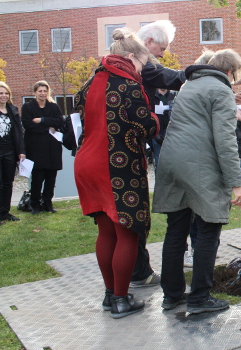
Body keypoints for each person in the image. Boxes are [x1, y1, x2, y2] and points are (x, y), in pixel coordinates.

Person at [152, 49, 241, 314]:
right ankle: (199, 298)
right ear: (230, 72)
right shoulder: (221, 91)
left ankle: (172, 295)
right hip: (200, 165)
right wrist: (235, 184)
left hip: (171, 162)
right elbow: (226, 141)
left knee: (176, 229)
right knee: (208, 228)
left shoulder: (188, 86)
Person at [73, 27, 159, 318]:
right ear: (132, 57)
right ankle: (122, 299)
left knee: (106, 231)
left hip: (87, 163)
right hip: (117, 164)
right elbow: (145, 127)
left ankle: (111, 295)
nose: (142, 71)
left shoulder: (87, 85)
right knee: (128, 232)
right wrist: (157, 120)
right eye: (143, 65)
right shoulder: (128, 85)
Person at [129, 19, 185, 288]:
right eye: (161, 48)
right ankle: (138, 273)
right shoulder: (142, 68)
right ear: (148, 43)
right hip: (127, 152)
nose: (163, 54)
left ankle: (134, 272)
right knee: (134, 214)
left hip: (129, 147)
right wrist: (204, 71)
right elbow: (170, 77)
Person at [21, 81, 65, 215]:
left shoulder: (53, 106)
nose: (42, 93)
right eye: (40, 91)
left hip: (52, 148)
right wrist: (48, 127)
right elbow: (28, 125)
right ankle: (34, 204)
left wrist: (42, 120)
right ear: (35, 92)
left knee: (51, 178)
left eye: (45, 91)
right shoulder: (28, 107)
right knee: (38, 178)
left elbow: (59, 121)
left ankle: (48, 203)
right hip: (35, 147)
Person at [0, 82, 25, 223]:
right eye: (1, 93)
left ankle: (5, 212)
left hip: (10, 151)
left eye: (5, 93)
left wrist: (21, 151)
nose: (3, 96)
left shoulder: (13, 110)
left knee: (8, 183)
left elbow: (19, 133)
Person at [151, 88, 176, 170]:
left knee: (173, 161)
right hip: (157, 132)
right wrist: (155, 134)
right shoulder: (153, 97)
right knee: (159, 162)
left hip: (171, 132)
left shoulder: (173, 96)